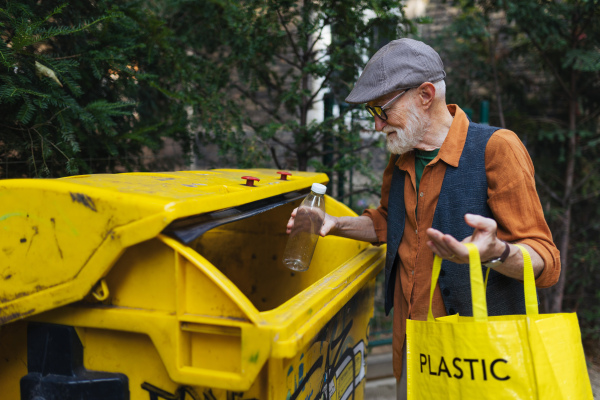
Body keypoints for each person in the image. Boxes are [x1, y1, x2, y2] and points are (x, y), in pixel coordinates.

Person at [286, 38, 560, 399]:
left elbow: (546, 262)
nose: (377, 126)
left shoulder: (497, 148)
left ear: (426, 95)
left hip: (480, 364)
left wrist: (495, 252)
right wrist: (336, 224)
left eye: (381, 110)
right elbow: (389, 223)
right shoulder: (400, 156)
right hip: (412, 352)